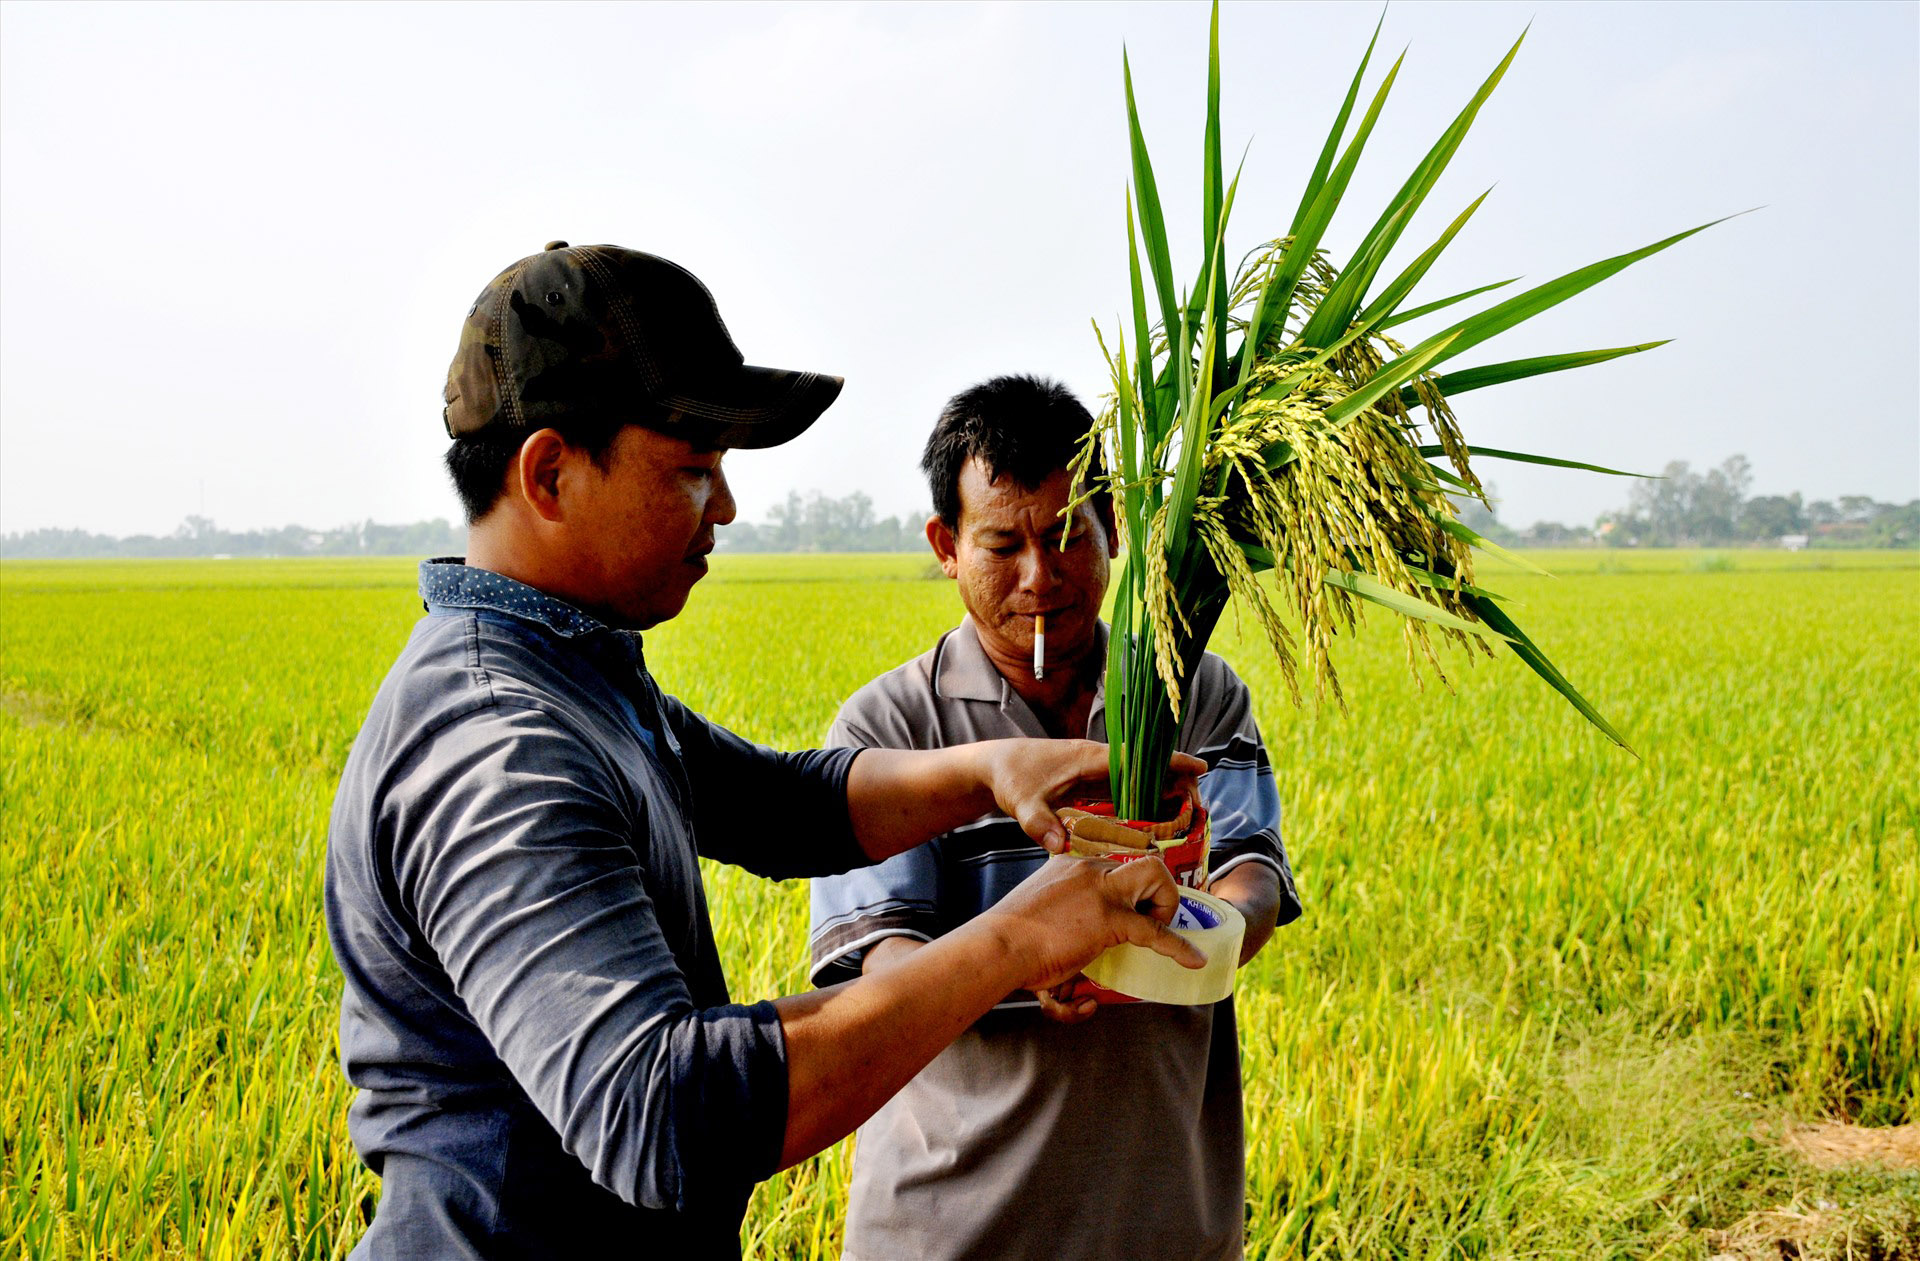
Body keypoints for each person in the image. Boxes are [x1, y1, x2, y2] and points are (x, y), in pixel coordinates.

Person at [324, 246, 1208, 1259]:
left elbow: (778, 803)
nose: (730, 508)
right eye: (693, 470)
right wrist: (1019, 937)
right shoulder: (501, 744)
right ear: (551, 473)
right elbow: (657, 1113)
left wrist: (989, 769)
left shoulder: (570, 669)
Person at [808, 375, 1303, 1261]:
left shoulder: (1199, 697)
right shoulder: (889, 730)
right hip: (950, 1228)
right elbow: (884, 963)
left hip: (1166, 1225)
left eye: (1071, 532)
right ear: (946, 546)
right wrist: (1033, 956)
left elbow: (1254, 874)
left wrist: (1192, 930)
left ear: (1114, 526)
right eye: (1003, 542)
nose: (1043, 576)